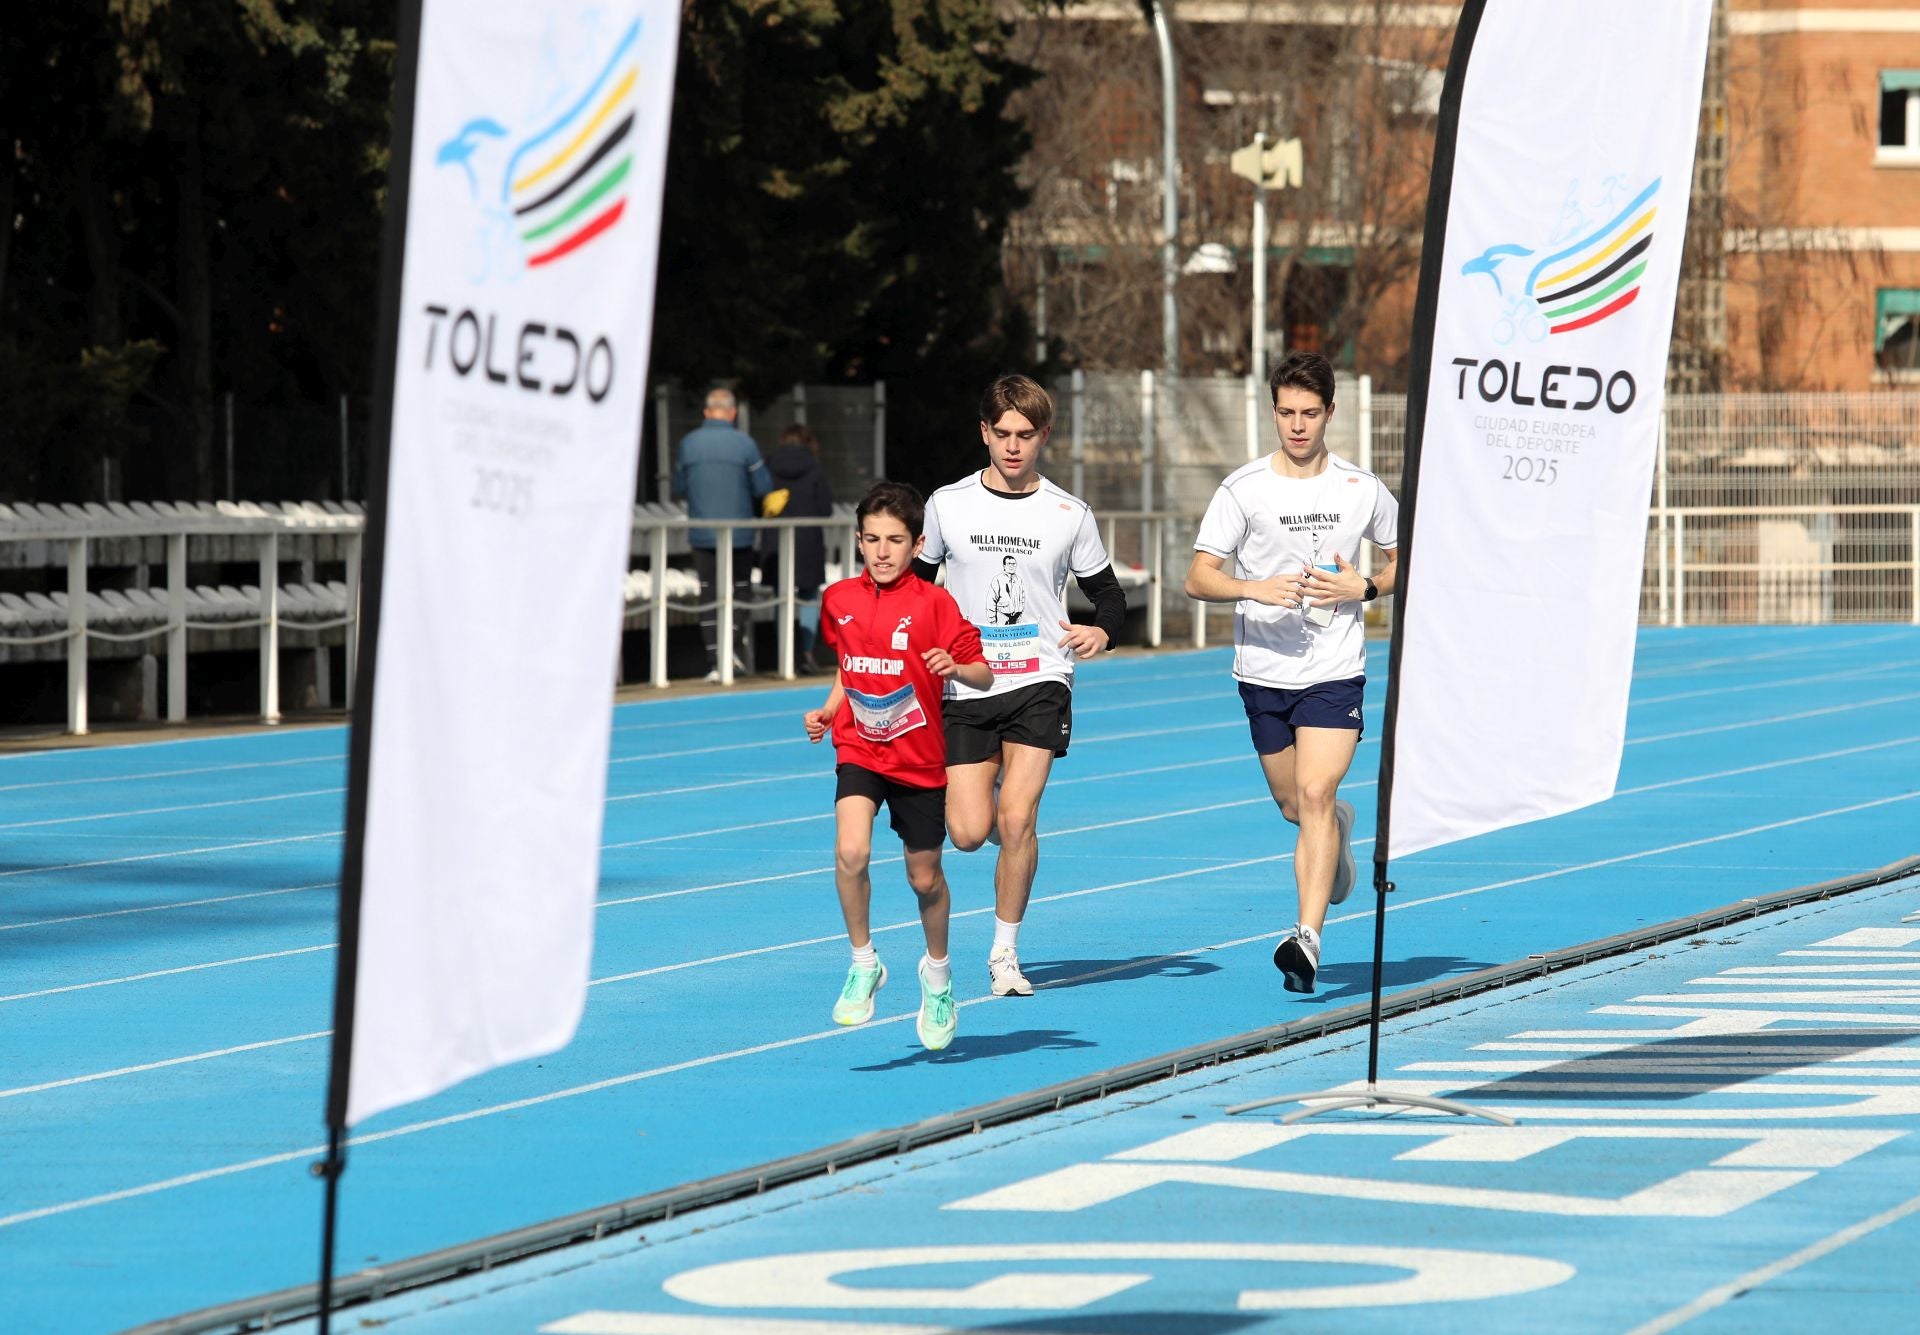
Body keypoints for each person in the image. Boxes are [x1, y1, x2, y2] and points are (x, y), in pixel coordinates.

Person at [1184, 351, 1399, 995]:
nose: (1297, 426)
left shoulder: (1361, 489)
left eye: (1309, 414)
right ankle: (1336, 832)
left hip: (1335, 670)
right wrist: (1254, 588)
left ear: (1330, 413)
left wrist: (1365, 586)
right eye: (1286, 414)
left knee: (1313, 795)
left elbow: (1405, 559)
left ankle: (1307, 940)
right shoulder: (1243, 489)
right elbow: (1198, 577)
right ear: (1272, 413)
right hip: (1264, 671)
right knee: (1294, 806)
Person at [912, 374, 1128, 998]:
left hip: (1040, 678)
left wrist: (1100, 634)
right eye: (1001, 434)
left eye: (1025, 436)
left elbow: (1108, 595)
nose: (1012, 447)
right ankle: (994, 777)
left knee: (1017, 817)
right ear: (983, 433)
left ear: (1043, 437)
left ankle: (1004, 953)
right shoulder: (948, 504)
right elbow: (917, 589)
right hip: (968, 682)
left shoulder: (1068, 513)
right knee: (968, 832)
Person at [805, 480, 991, 1051]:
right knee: (851, 850)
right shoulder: (838, 600)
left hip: (918, 757)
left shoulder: (935, 605)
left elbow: (982, 670)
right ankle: (865, 961)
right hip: (860, 747)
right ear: (858, 542)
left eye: (895, 541)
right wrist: (831, 708)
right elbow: (849, 663)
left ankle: (937, 975)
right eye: (871, 540)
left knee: (924, 878)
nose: (882, 552)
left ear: (916, 545)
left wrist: (954, 669)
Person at [672, 387, 769, 682]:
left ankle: (715, 658)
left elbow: (678, 487)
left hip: (702, 533)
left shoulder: (688, 444)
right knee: (739, 589)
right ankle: (733, 650)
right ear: (733, 412)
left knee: (709, 593)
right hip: (740, 533)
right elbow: (763, 488)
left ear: (706, 412)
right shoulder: (745, 444)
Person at [757, 423, 835, 670]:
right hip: (808, 541)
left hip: (775, 542)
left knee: (782, 596)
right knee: (809, 597)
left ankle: (784, 655)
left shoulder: (767, 466)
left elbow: (758, 501)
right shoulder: (814, 467)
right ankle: (807, 653)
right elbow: (825, 509)